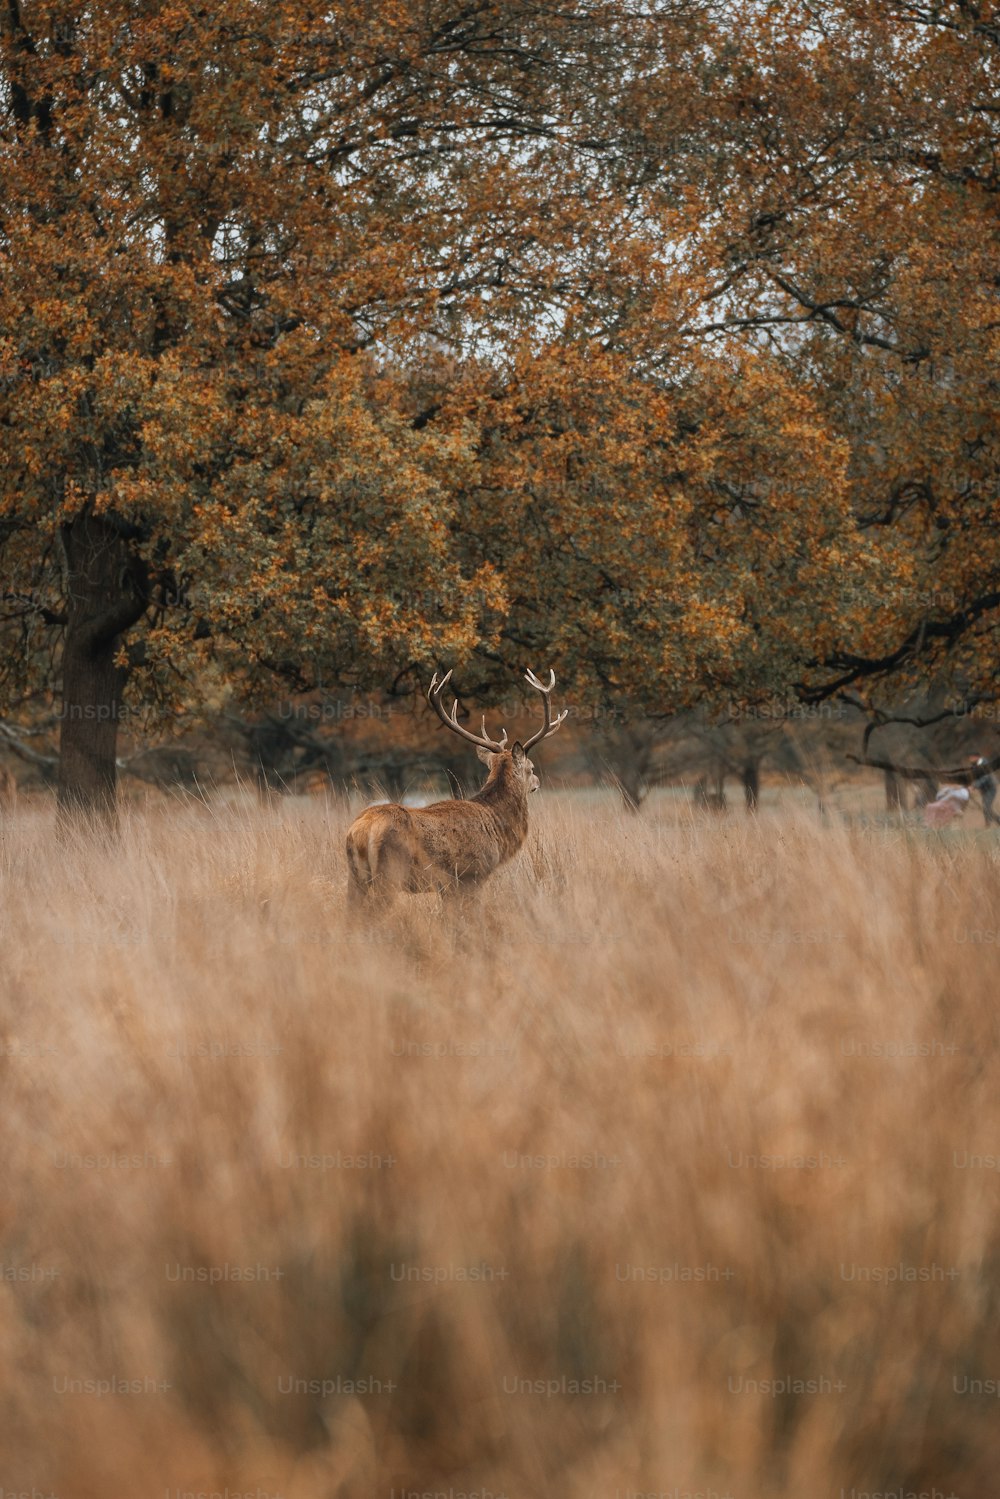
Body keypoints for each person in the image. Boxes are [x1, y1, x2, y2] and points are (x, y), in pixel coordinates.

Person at [969, 755, 1000, 827]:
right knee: (985, 808)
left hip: (990, 788)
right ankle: (988, 824)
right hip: (984, 789)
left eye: (971, 758)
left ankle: (995, 821)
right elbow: (975, 777)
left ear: (976, 756)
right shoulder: (975, 765)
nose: (970, 760)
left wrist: (974, 786)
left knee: (986, 807)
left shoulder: (985, 763)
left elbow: (985, 777)